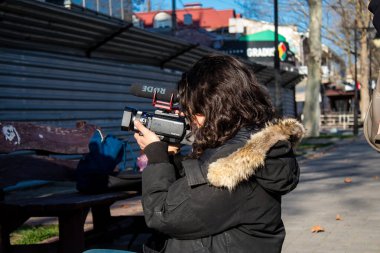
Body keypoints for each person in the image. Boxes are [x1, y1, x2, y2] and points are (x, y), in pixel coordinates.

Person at [133, 54, 305, 253]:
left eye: (194, 111)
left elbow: (161, 214)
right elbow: (190, 190)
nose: (191, 119)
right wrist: (171, 157)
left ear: (214, 108)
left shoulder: (234, 165)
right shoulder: (245, 145)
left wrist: (155, 157)